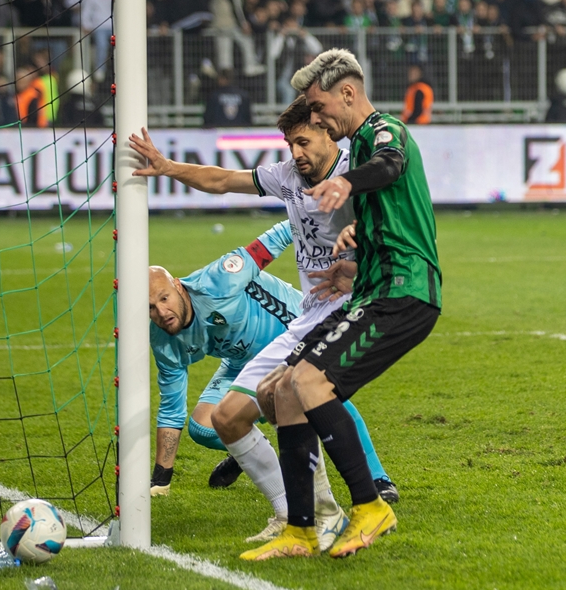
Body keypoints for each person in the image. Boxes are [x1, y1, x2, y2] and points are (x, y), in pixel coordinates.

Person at [127, 96, 400, 522]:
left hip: (337, 307)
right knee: (220, 419)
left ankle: (372, 486)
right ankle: (290, 502)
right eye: (289, 144)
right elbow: (221, 179)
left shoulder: (354, 172)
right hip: (295, 321)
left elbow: (393, 219)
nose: (295, 152)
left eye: (303, 142)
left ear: (328, 132)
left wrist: (356, 246)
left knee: (315, 389)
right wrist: (167, 167)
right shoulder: (285, 176)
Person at [244, 49, 441, 561]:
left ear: (347, 94)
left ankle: (371, 505)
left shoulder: (384, 131)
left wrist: (346, 182)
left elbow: (390, 164)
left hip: (404, 291)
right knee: (283, 389)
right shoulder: (359, 146)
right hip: (376, 287)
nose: (316, 117)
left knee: (309, 381)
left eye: (318, 106)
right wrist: (351, 263)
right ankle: (301, 531)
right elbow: (389, 221)